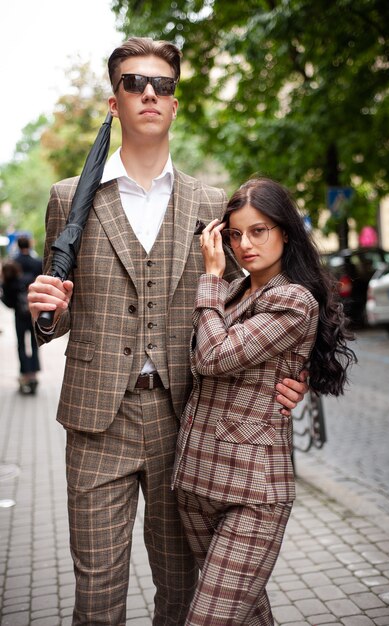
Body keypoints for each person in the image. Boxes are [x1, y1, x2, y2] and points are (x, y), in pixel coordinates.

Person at [28, 38, 307, 625]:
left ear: (176, 104)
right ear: (114, 102)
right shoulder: (68, 200)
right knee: (97, 599)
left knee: (180, 595)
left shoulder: (212, 202)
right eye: (133, 83)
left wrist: (295, 370)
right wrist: (44, 309)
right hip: (97, 420)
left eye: (163, 85)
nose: (149, 93)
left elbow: (254, 301)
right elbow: (58, 318)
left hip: (188, 421)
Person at [172, 177, 357, 625]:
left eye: (259, 231)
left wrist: (211, 278)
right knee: (249, 616)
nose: (245, 245)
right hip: (197, 480)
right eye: (235, 234)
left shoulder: (292, 300)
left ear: (285, 231)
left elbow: (214, 357)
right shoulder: (237, 293)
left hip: (254, 493)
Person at [1, 235, 42, 394]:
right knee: (34, 343)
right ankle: (33, 374)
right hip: (34, 311)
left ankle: (24, 373)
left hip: (19, 311)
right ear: (29, 245)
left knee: (20, 344)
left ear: (17, 245)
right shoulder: (37, 263)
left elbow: (6, 288)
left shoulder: (12, 263)